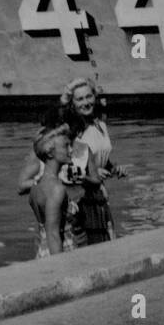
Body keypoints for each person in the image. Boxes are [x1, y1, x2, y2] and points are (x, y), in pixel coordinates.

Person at [61, 77, 125, 243]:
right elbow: (71, 171)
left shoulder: (100, 125)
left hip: (99, 195)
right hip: (81, 199)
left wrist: (113, 168)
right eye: (80, 99)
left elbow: (100, 158)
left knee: (106, 242)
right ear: (72, 103)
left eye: (89, 97)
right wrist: (95, 174)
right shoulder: (74, 131)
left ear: (95, 97)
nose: (86, 102)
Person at [29, 124, 84, 258]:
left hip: (43, 251)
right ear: (50, 152)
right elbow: (53, 234)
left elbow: (44, 229)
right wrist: (59, 272)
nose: (71, 150)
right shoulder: (56, 188)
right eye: (66, 146)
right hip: (61, 251)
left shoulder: (35, 187)